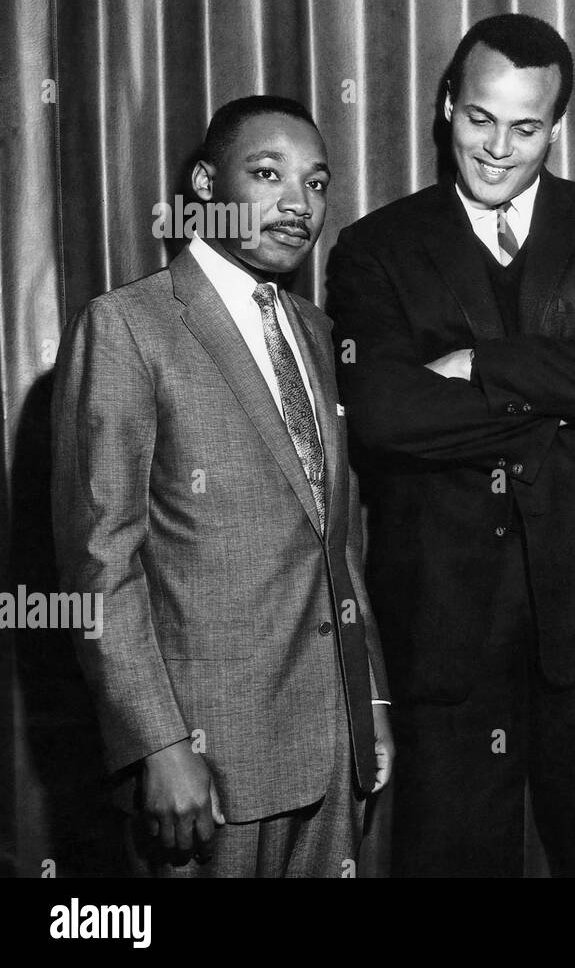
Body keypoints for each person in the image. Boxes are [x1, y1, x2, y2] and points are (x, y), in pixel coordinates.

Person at [328, 13, 575, 877]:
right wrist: (561, 395)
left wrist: (479, 362)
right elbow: (383, 414)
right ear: (448, 105)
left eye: (526, 127)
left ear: (556, 127)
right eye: (480, 118)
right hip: (445, 623)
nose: (497, 147)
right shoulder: (374, 247)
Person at [51, 95, 393, 877]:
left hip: (333, 749)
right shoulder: (127, 325)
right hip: (208, 763)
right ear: (205, 184)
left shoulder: (314, 329)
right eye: (266, 174)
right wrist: (158, 746)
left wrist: (367, 696)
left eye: (315, 182)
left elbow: (335, 537)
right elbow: (101, 562)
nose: (296, 204)